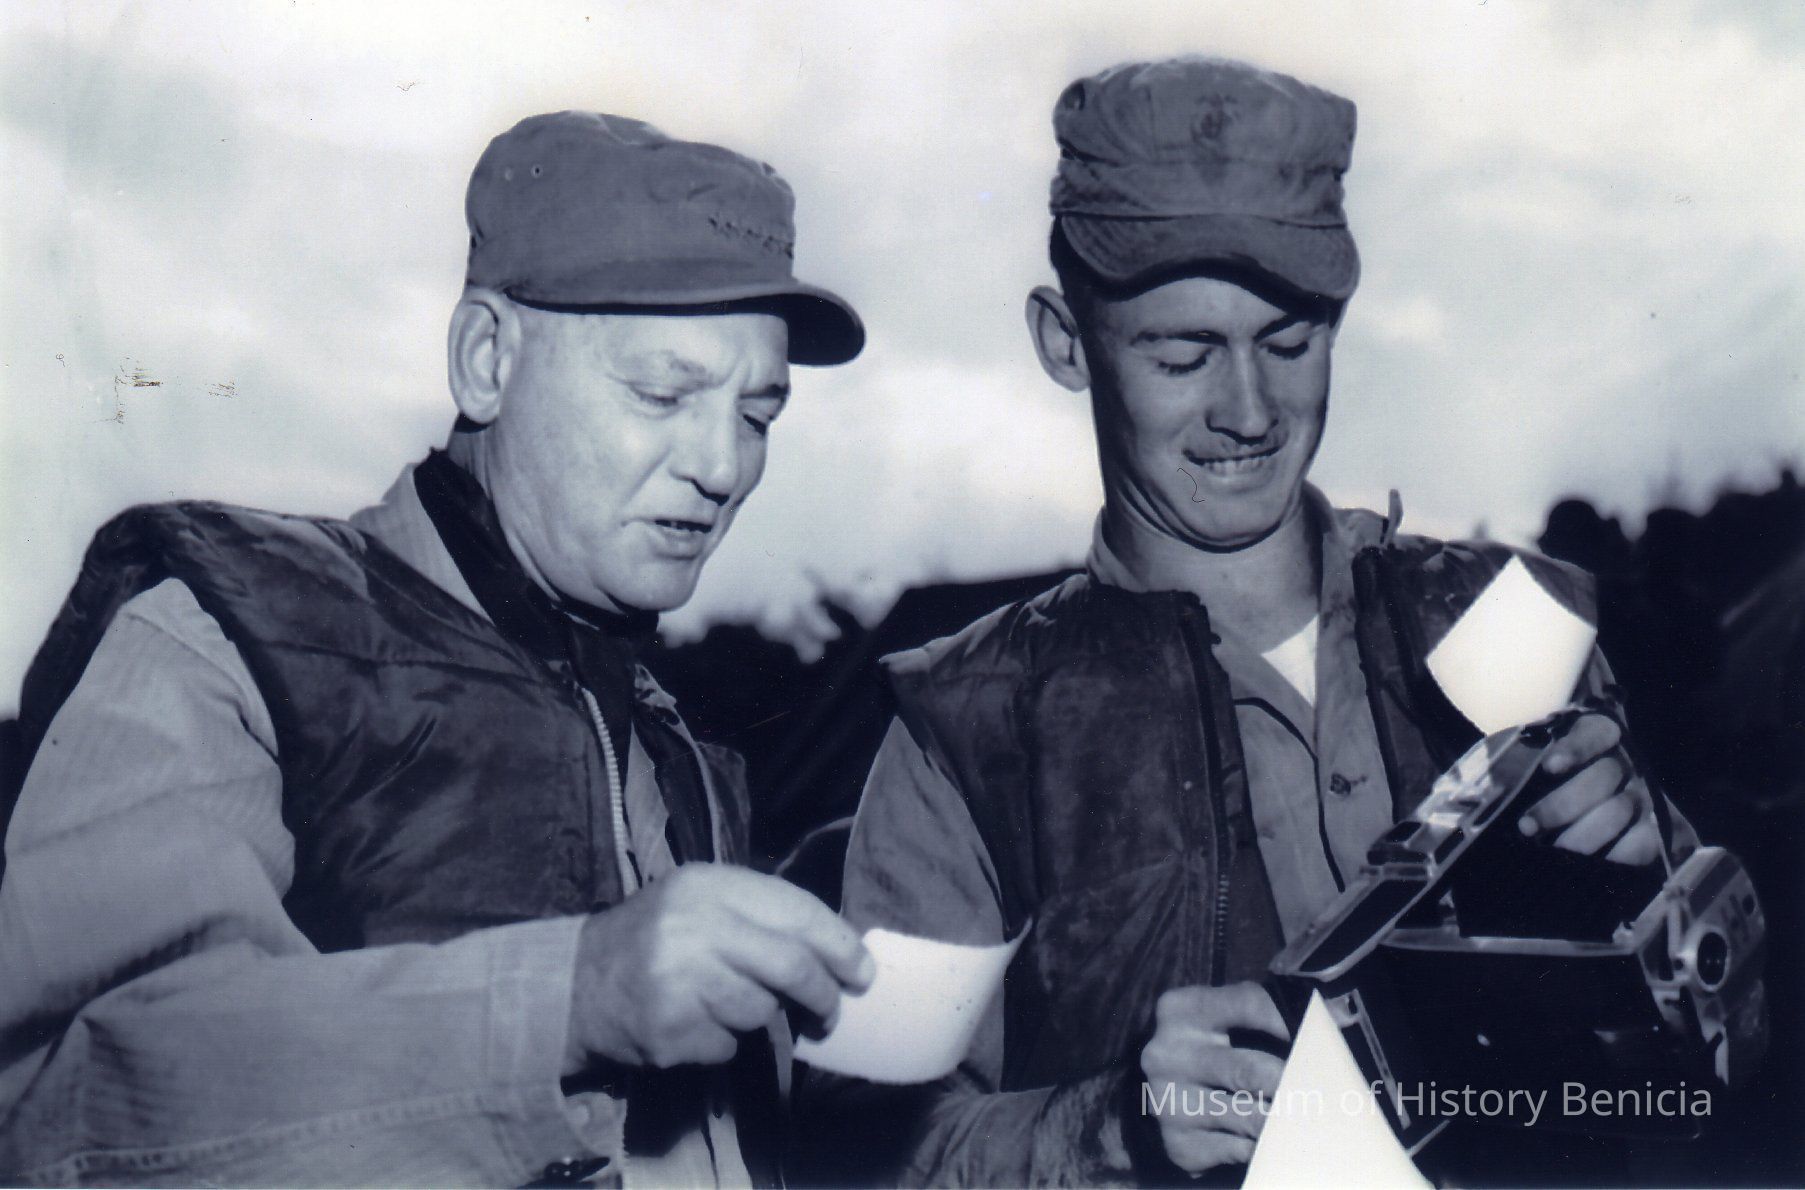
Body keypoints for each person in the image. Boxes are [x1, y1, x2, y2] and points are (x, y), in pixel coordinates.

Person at [801, 57, 1688, 1186]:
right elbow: (852, 1153)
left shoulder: (1499, 614)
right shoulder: (968, 729)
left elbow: (1709, 1041)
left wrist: (1647, 873)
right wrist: (1107, 1128)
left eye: (1288, 342)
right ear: (1064, 342)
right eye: (1182, 355)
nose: (1248, 410)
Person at [0, 111, 873, 1187]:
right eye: (662, 393)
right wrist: (568, 997)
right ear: (486, 359)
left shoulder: (667, 742)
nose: (723, 466)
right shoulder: (224, 632)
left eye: (757, 413)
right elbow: (61, 1106)